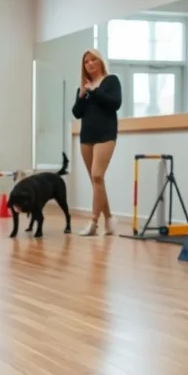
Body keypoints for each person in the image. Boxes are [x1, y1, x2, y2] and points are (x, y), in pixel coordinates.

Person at [72, 49, 121, 236]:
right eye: (86, 62)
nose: (90, 64)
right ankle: (109, 216)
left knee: (97, 175)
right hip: (87, 136)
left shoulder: (111, 81)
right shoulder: (83, 87)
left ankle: (94, 222)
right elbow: (77, 112)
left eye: (93, 60)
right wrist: (83, 94)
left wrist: (95, 92)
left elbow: (115, 103)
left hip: (106, 135)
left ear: (100, 62)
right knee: (95, 180)